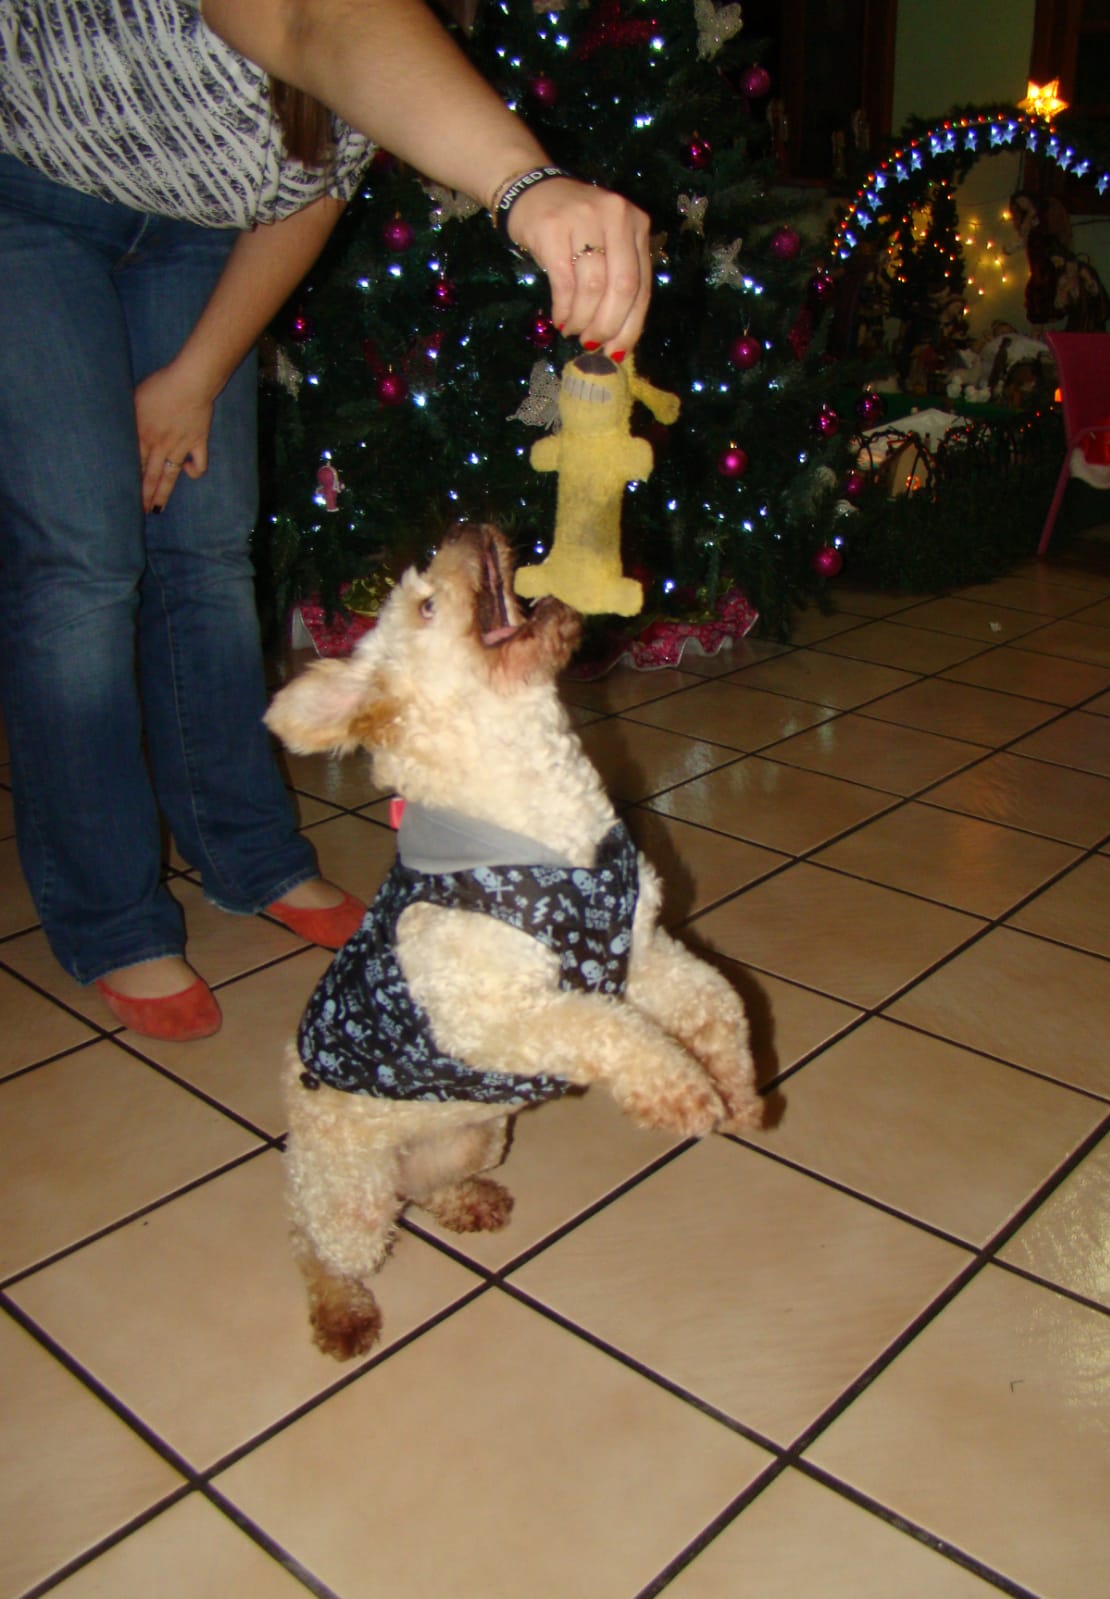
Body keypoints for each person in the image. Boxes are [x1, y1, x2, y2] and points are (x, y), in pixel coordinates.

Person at [0, 0, 652, 1042]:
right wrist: (527, 187)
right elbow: (311, 16)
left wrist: (196, 376)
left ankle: (249, 853)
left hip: (201, 231)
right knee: (81, 564)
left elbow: (313, 184)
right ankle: (110, 912)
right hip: (28, 192)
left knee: (209, 547)